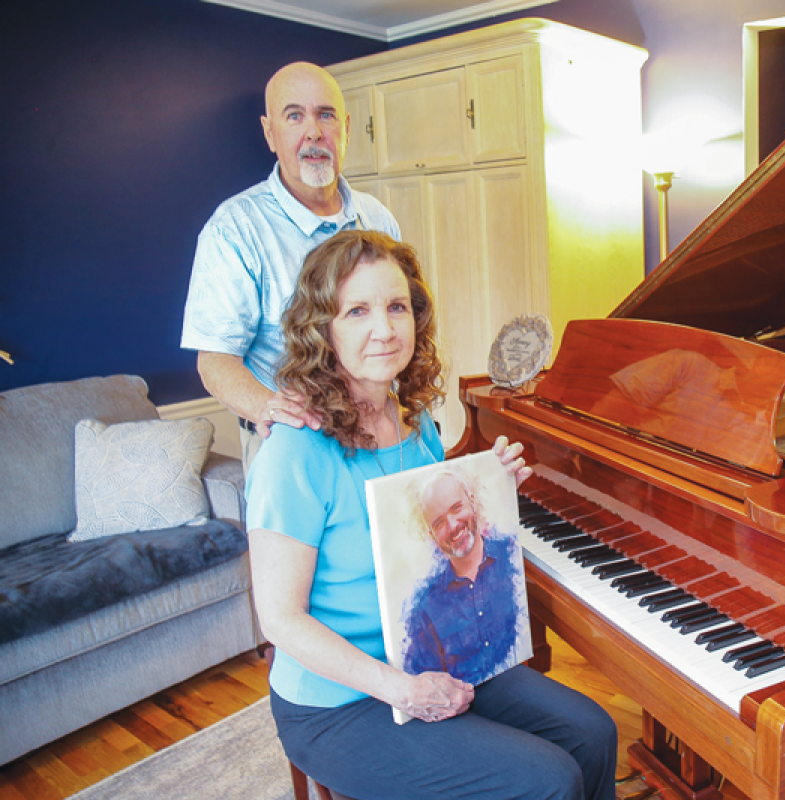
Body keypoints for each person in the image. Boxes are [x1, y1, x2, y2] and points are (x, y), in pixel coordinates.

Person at [247, 229, 617, 800]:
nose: (385, 329)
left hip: (432, 655)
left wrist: (488, 494)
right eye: (357, 311)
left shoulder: (413, 422)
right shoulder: (294, 450)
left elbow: (428, 551)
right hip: (342, 702)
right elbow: (280, 619)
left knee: (594, 732)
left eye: (397, 307)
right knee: (547, 780)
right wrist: (400, 689)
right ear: (323, 328)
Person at [181, 61, 400, 467]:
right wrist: (273, 408)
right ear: (269, 132)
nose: (314, 132)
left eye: (326, 115)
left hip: (382, 433)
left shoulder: (379, 220)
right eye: (295, 115)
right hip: (293, 444)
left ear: (346, 129)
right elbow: (215, 359)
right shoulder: (235, 229)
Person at [404, 471, 526, 685]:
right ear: (432, 536)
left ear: (472, 501)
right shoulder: (425, 609)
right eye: (439, 523)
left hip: (519, 679)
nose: (452, 526)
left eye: (456, 508)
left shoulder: (512, 556)